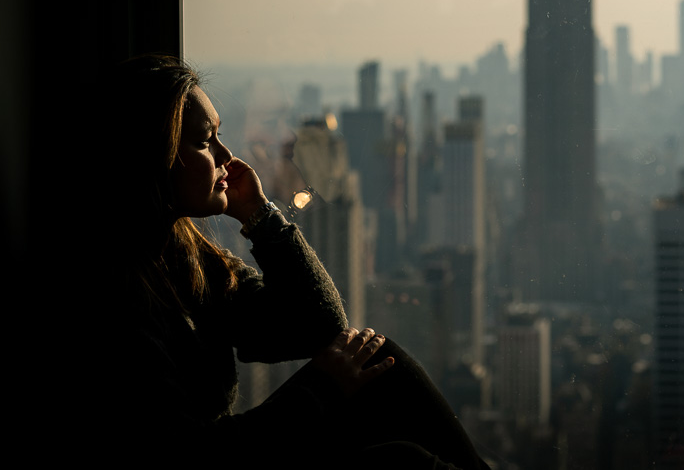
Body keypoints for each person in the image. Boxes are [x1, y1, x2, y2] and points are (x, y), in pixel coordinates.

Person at [95, 55, 489, 467]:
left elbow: (319, 326)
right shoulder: (116, 301)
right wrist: (320, 390)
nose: (225, 154)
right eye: (203, 140)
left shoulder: (188, 261)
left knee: (374, 360)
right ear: (152, 159)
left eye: (219, 135)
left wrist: (260, 214)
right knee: (402, 462)